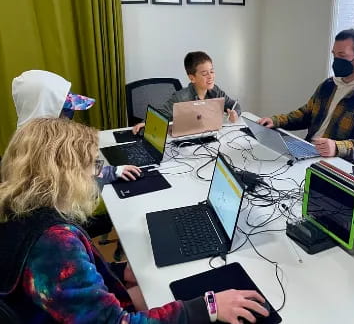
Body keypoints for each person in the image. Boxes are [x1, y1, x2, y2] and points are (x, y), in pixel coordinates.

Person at [0, 118, 269, 323]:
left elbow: (71, 288)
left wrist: (119, 272)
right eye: (91, 165)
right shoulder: (54, 246)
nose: (97, 173)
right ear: (65, 174)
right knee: (174, 291)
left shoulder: (23, 212)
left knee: (154, 283)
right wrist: (208, 307)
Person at [257, 20, 354, 167]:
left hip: (338, 167)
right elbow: (305, 114)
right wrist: (275, 121)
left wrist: (337, 147)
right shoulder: (330, 84)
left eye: (342, 55)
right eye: (334, 54)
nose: (336, 60)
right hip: (308, 153)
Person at [12, 69, 141, 183]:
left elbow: (78, 165)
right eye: (66, 110)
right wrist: (115, 171)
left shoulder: (31, 135)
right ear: (47, 109)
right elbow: (76, 176)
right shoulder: (38, 148)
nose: (69, 117)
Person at [132, 51, 241, 134]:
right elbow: (161, 114)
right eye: (204, 74)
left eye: (212, 71)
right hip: (186, 143)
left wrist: (235, 113)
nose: (210, 76)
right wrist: (146, 123)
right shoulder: (181, 98)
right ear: (192, 78)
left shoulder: (215, 91)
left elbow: (234, 105)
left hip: (210, 137)